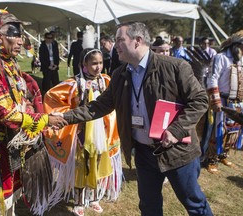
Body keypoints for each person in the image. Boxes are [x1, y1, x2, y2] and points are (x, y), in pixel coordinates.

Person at [61, 22, 213, 216]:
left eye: (120, 40)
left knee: (194, 204)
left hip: (177, 152)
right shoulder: (119, 74)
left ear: (137, 41)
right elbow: (97, 107)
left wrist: (176, 130)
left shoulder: (175, 67)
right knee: (149, 207)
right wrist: (65, 117)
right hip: (143, 154)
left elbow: (200, 100)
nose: (115, 45)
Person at [0, 7, 67, 215]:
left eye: (21, 35)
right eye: (15, 34)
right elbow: (8, 115)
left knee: (6, 206)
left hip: (6, 150)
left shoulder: (9, 64)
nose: (21, 41)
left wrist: (31, 103)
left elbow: (22, 96)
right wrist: (45, 120)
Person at [44, 47, 122, 216]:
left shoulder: (106, 81)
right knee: (81, 163)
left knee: (98, 160)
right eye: (94, 63)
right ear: (83, 64)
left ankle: (93, 198)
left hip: (102, 131)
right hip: (81, 132)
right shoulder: (74, 84)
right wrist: (67, 113)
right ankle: (79, 201)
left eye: (101, 63)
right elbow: (51, 96)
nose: (98, 67)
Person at [205, 30, 243, 174]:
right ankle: (211, 159)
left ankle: (223, 155)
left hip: (238, 102)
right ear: (236, 45)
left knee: (234, 130)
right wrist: (215, 101)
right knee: (218, 131)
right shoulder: (220, 58)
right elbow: (212, 78)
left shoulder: (241, 60)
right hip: (222, 100)